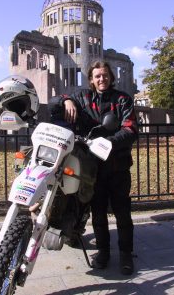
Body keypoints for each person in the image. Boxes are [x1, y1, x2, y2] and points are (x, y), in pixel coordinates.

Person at [48, 60, 138, 275]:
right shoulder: (81, 98)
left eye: (105, 75)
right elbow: (52, 104)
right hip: (92, 167)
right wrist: (66, 99)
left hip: (117, 164)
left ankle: (126, 255)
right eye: (97, 76)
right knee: (97, 212)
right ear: (91, 79)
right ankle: (104, 252)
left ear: (111, 77)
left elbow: (131, 128)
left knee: (122, 212)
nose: (102, 79)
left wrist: (109, 142)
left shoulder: (122, 99)